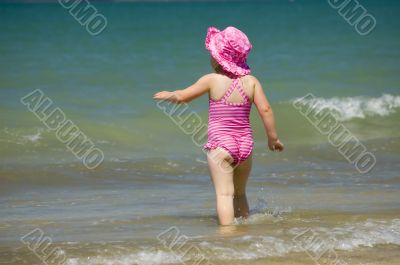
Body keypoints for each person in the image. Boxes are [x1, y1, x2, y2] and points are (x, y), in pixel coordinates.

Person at [153, 26, 284, 225]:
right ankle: (243, 230)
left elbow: (182, 97)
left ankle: (227, 233)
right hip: (245, 147)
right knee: (239, 194)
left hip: (221, 147)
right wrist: (273, 138)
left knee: (224, 194)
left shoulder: (212, 80)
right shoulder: (251, 82)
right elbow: (265, 109)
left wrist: (169, 95)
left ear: (218, 57)